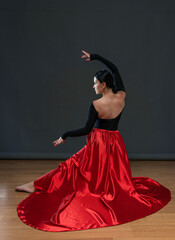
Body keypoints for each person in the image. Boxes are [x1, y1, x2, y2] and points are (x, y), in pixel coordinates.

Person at [16, 50, 171, 232]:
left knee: (72, 166)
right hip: (115, 142)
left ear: (103, 85)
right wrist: (96, 57)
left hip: (99, 143)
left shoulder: (96, 105)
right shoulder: (122, 96)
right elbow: (115, 69)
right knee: (107, 174)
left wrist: (64, 134)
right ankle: (36, 184)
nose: (93, 87)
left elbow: (86, 130)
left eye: (95, 83)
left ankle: (36, 185)